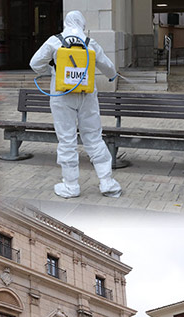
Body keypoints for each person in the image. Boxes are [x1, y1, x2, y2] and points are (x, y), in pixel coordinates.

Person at [29, 10, 121, 199]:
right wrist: (112, 76)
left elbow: (35, 63)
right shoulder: (89, 43)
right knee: (94, 138)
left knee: (67, 140)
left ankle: (71, 186)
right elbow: (108, 66)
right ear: (82, 24)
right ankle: (107, 183)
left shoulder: (55, 41)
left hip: (61, 95)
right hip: (87, 96)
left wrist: (52, 69)